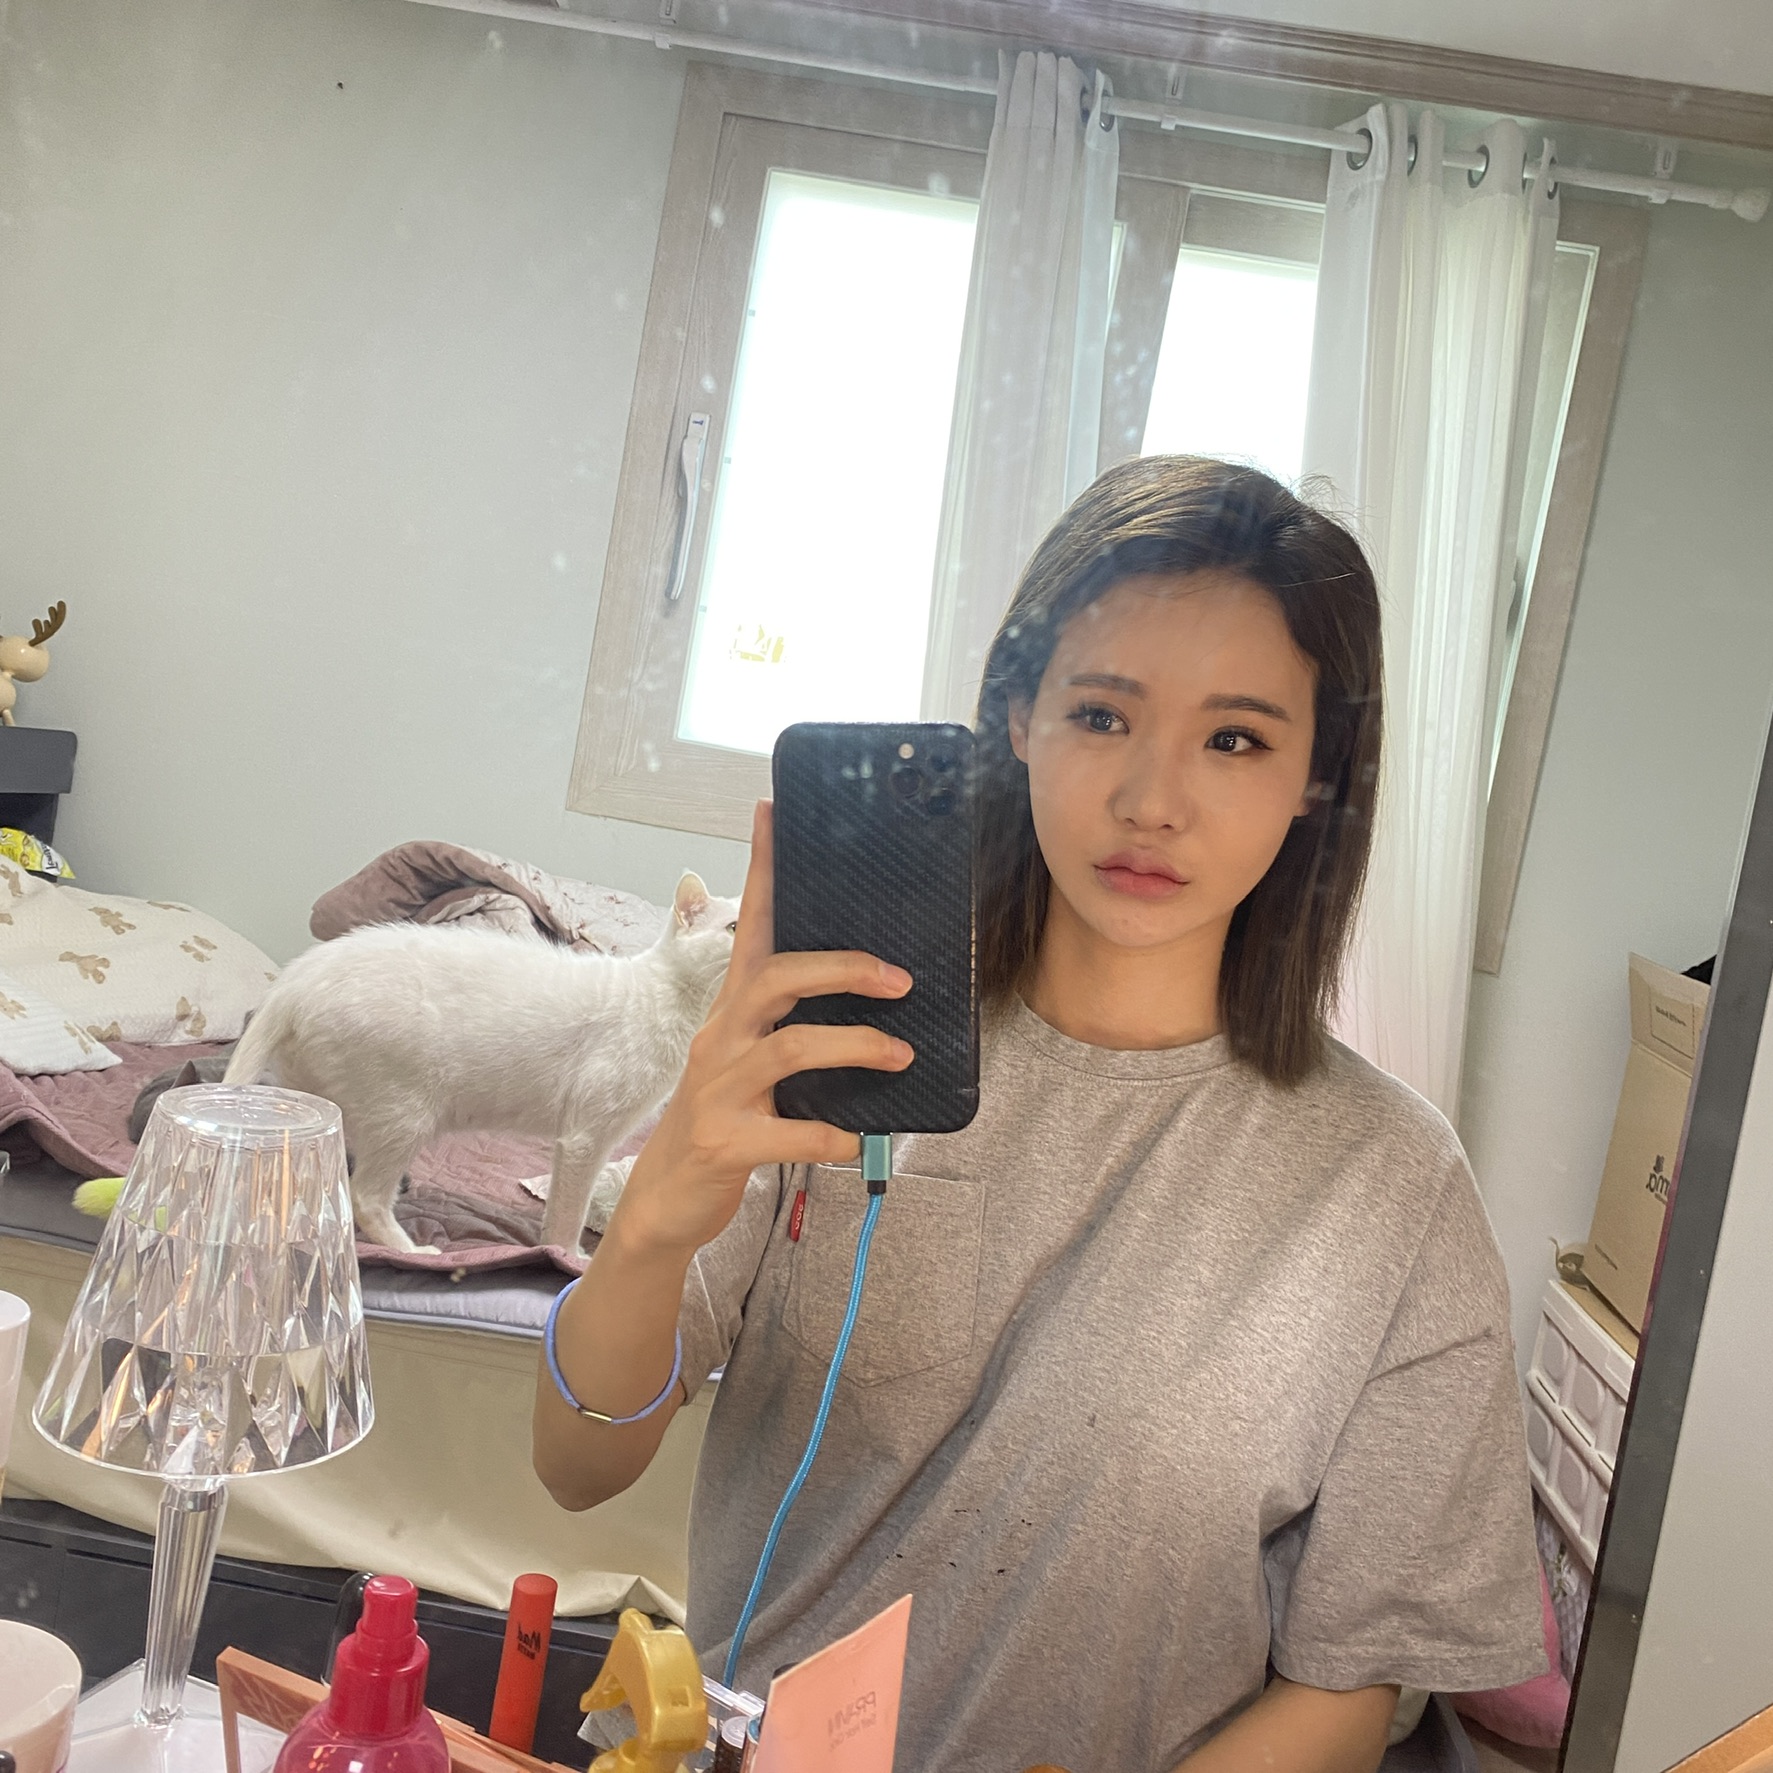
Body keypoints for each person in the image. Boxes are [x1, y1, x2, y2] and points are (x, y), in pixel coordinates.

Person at [533, 456, 1545, 1773]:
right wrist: (653, 1223)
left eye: (1235, 738)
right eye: (1102, 714)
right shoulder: (844, 1048)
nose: (1151, 800)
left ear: (1316, 777)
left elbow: (1347, 1691)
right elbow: (576, 1468)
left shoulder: (1391, 1188)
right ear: (1016, 717)